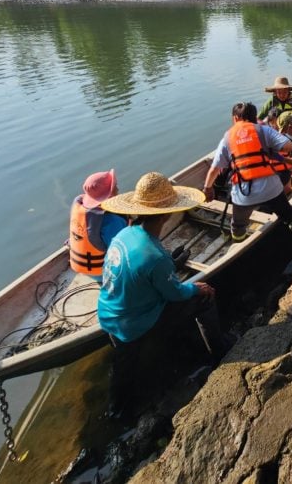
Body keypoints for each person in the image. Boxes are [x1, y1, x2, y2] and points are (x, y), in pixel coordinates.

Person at [98, 172, 228, 420]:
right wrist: (197, 288)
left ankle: (115, 411)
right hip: (133, 324)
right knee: (204, 297)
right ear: (168, 213)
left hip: (107, 314)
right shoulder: (155, 256)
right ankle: (220, 352)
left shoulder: (123, 235)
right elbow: (176, 293)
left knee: (124, 363)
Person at [202, 101, 292, 245]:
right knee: (291, 216)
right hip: (271, 189)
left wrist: (208, 188)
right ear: (254, 117)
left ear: (235, 118)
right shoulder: (264, 130)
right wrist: (269, 152)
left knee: (238, 226)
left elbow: (214, 169)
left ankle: (238, 245)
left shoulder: (227, 137)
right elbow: (288, 145)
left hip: (244, 195)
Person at [68, 169, 127, 280]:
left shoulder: (78, 205)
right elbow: (123, 250)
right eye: (115, 188)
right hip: (102, 272)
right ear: (108, 196)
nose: (118, 189)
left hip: (79, 266)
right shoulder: (110, 221)